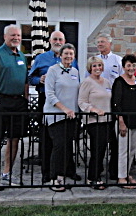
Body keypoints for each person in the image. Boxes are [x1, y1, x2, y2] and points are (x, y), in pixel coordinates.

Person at [0, 24, 29, 190]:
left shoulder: (22, 55)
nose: (16, 38)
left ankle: (7, 173)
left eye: (18, 35)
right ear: (5, 37)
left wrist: (26, 99)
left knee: (14, 139)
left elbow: (25, 80)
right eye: (12, 35)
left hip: (18, 103)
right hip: (2, 102)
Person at [29, 30, 78, 183]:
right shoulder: (42, 59)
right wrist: (40, 80)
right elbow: (30, 78)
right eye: (55, 39)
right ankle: (49, 173)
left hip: (70, 107)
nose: (58, 41)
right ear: (50, 41)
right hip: (50, 102)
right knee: (50, 142)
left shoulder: (74, 67)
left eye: (60, 39)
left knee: (67, 142)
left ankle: (68, 170)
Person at [44, 43, 81, 192]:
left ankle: (65, 173)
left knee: (67, 146)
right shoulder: (52, 70)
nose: (68, 56)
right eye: (66, 54)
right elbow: (50, 94)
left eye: (71, 54)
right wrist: (64, 109)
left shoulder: (75, 71)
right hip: (56, 115)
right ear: (60, 55)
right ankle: (54, 178)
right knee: (58, 146)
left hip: (71, 116)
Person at [87, 33, 123, 181]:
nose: (100, 44)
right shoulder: (94, 61)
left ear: (110, 43)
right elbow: (86, 82)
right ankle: (96, 171)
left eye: (102, 42)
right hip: (97, 107)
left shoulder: (117, 60)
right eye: (98, 42)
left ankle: (114, 170)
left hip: (113, 104)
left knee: (115, 141)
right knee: (99, 143)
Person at [78, 56, 112, 190]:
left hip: (107, 120)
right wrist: (93, 110)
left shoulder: (107, 82)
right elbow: (81, 102)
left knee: (103, 149)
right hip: (93, 121)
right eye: (94, 66)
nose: (97, 68)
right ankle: (92, 177)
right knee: (97, 149)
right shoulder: (87, 82)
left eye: (99, 65)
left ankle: (99, 173)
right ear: (90, 68)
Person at [111, 54, 136, 189]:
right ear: (123, 67)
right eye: (129, 65)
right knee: (123, 150)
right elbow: (116, 103)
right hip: (124, 121)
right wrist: (121, 121)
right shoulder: (119, 82)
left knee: (132, 150)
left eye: (134, 65)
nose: (131, 68)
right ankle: (121, 177)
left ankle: (127, 173)